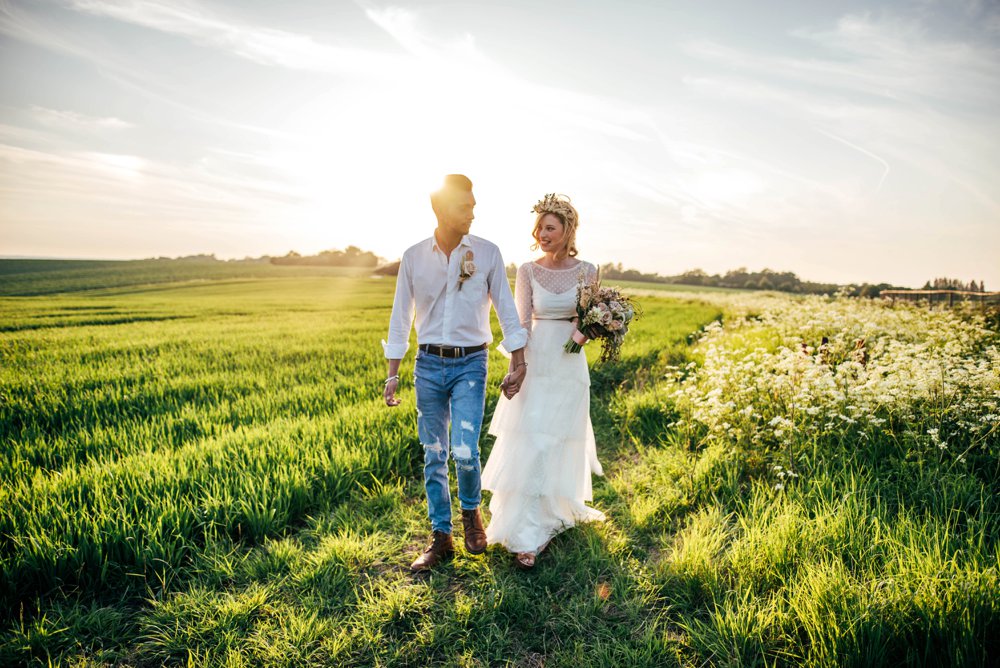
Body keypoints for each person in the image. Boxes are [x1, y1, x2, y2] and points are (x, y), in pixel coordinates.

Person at [383, 174, 528, 573]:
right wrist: (392, 373)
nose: (473, 212)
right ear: (442, 209)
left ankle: (471, 515)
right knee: (433, 454)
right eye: (465, 206)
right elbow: (400, 317)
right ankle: (441, 537)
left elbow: (506, 309)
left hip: (470, 363)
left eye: (474, 205)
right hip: (427, 365)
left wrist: (519, 361)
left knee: (464, 450)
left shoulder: (487, 253)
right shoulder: (414, 257)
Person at [482, 194, 605, 569]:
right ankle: (527, 532)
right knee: (532, 440)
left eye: (549, 227)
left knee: (556, 441)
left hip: (569, 365)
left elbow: (593, 318)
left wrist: (586, 333)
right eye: (538, 228)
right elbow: (520, 322)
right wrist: (516, 365)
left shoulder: (589, 270)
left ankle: (551, 512)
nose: (541, 233)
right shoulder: (528, 270)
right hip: (536, 360)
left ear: (568, 230)